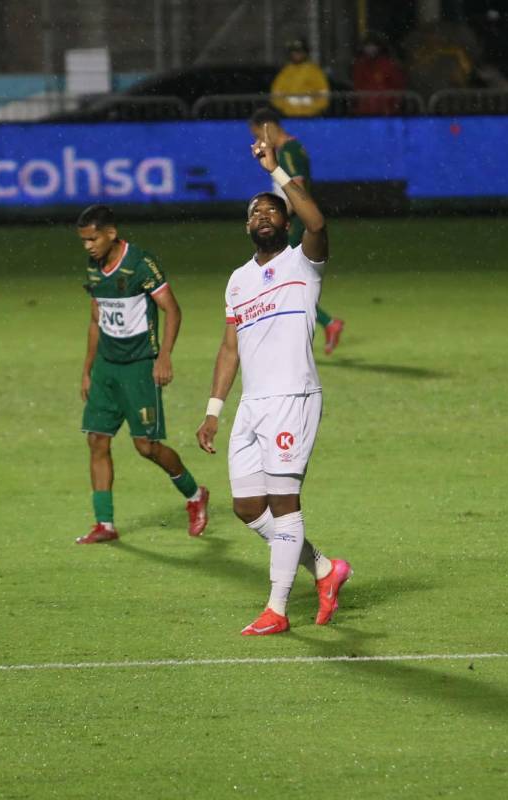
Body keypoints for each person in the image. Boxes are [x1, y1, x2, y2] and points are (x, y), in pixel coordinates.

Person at [195, 128, 352, 636]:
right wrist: (214, 410)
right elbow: (229, 346)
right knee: (246, 509)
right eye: (253, 213)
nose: (261, 216)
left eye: (271, 210)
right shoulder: (238, 280)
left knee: (284, 504)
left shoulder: (303, 264)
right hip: (251, 406)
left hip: (293, 399)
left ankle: (278, 610)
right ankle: (326, 570)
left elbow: (318, 219)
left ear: (285, 220)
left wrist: (276, 173)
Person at [74, 204, 209, 544]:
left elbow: (173, 310)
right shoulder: (94, 267)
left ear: (111, 233)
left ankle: (195, 496)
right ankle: (105, 523)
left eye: (93, 239)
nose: (88, 246)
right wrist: (87, 370)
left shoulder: (140, 264)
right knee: (96, 440)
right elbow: (96, 319)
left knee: (146, 447)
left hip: (138, 367)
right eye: (84, 241)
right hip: (106, 366)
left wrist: (164, 356)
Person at [247, 107, 345, 354]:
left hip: (295, 224)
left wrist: (279, 217)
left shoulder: (288, 152)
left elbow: (298, 188)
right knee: (284, 279)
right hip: (296, 222)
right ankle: (324, 324)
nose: (257, 141)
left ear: (268, 127)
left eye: (258, 134)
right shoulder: (293, 148)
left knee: (280, 279)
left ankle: (316, 326)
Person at [270, 38, 330, 118]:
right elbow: (276, 93)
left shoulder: (314, 71)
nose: (296, 55)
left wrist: (313, 106)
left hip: (311, 116)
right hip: (289, 116)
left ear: (305, 53)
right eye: (294, 52)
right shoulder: (286, 72)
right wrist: (286, 106)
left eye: (299, 52)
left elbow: (323, 93)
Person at [351, 32, 406, 116]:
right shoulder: (359, 65)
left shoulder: (389, 65)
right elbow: (357, 86)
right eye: (367, 45)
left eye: (373, 45)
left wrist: (395, 107)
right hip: (364, 111)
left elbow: (398, 86)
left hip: (387, 111)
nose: (370, 49)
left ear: (379, 47)